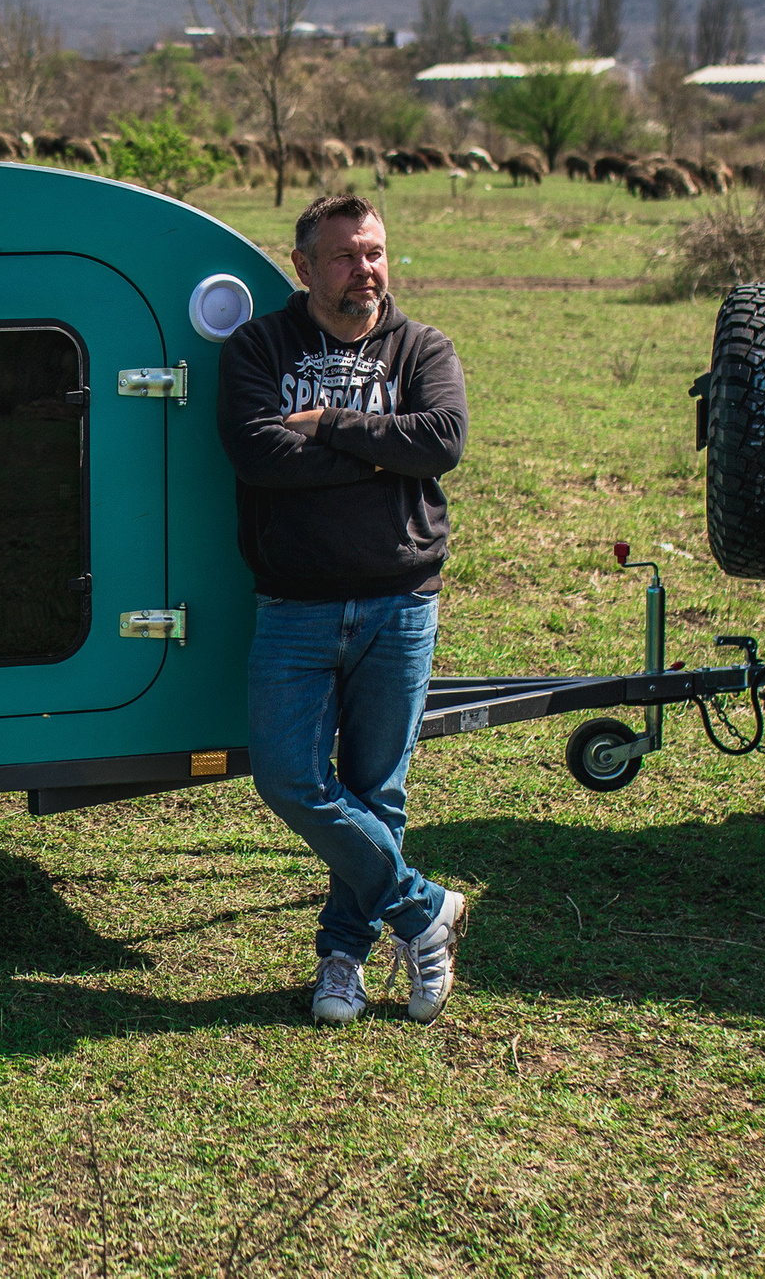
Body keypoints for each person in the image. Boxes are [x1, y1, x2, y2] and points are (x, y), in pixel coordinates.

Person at [218, 193, 470, 1025]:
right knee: (288, 776)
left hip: (402, 601)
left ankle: (342, 959)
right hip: (296, 603)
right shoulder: (261, 345)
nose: (365, 269)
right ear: (303, 267)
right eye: (344, 255)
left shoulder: (422, 346)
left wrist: (327, 423)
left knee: (377, 789)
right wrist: (376, 450)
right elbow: (258, 455)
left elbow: (439, 440)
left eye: (375, 252)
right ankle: (422, 907)